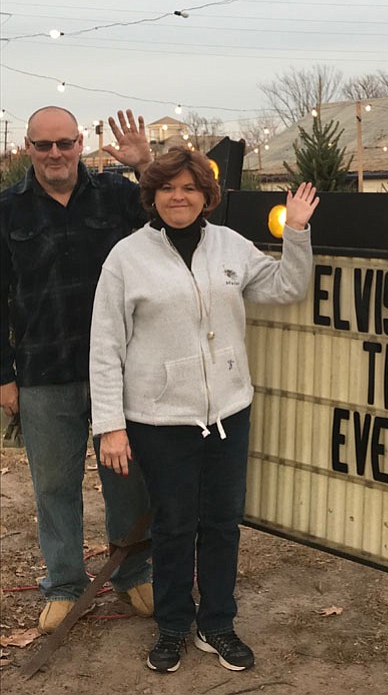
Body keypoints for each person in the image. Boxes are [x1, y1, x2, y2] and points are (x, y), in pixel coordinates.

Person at [89, 148, 318, 674]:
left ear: (206, 195)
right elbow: (105, 346)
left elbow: (287, 287)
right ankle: (172, 624)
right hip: (160, 420)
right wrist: (111, 426)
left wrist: (297, 232)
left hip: (228, 413)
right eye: (168, 188)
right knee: (172, 525)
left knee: (221, 523)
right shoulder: (127, 258)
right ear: (153, 195)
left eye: (190, 188)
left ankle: (217, 622)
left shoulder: (230, 246)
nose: (179, 197)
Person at [0, 106, 154, 633]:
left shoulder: (118, 196)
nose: (56, 154)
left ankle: (132, 569)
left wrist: (146, 166)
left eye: (64, 143)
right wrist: (4, 376)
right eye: (43, 146)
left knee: (127, 479)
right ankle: (65, 584)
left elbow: (175, 223)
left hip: (119, 370)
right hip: (44, 371)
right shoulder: (6, 210)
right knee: (54, 484)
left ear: (81, 143)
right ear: (27, 148)